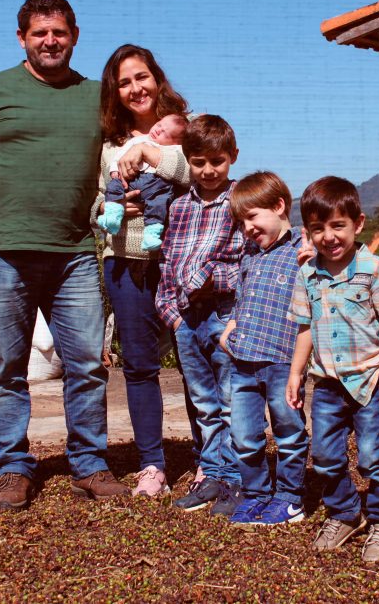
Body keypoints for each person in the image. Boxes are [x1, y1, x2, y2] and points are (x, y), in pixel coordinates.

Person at [0, 0, 123, 510]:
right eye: (40, 32)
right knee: (6, 368)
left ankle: (88, 464)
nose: (50, 41)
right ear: (22, 37)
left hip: (74, 254)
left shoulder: (96, 97)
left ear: (74, 36)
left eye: (59, 32)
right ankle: (14, 468)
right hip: (3, 252)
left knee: (88, 364)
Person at [285, 176, 379, 563]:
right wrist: (296, 374)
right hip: (326, 385)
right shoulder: (307, 275)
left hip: (370, 380)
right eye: (318, 228)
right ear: (308, 231)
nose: (328, 236)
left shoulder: (375, 270)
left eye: (337, 225)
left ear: (358, 223)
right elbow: (305, 328)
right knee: (323, 457)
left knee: (373, 456)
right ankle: (344, 512)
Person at [98, 44, 193, 497]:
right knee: (139, 366)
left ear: (157, 78)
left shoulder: (186, 129)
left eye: (142, 77)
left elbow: (202, 173)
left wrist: (151, 156)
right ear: (114, 93)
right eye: (124, 82)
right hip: (126, 261)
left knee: (199, 362)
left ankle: (212, 459)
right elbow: (94, 202)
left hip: (185, 264)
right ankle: (152, 463)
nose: (136, 88)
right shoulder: (107, 146)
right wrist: (116, 203)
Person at [156, 114, 244, 517]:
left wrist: (213, 280)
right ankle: (212, 472)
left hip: (226, 315)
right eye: (198, 162)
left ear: (233, 157)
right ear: (187, 160)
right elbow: (168, 261)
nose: (208, 170)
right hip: (187, 320)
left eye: (217, 161)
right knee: (204, 402)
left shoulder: (243, 202)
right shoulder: (178, 207)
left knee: (231, 400)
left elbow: (250, 260)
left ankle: (239, 479)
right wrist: (170, 312)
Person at [218, 171, 309, 526]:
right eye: (242, 223)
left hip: (283, 362)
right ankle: (256, 493)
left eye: (253, 217)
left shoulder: (302, 251)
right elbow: (243, 298)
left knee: (288, 430)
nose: (248, 228)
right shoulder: (250, 256)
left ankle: (289, 497)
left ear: (279, 206)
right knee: (243, 434)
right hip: (243, 361)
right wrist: (230, 327)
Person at [97, 113, 188, 252]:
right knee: (114, 185)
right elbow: (117, 159)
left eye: (165, 132)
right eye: (159, 125)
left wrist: (145, 151)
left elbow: (193, 172)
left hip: (169, 250)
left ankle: (152, 234)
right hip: (118, 251)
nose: (158, 130)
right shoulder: (122, 142)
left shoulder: (180, 141)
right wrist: (102, 207)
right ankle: (112, 216)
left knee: (159, 201)